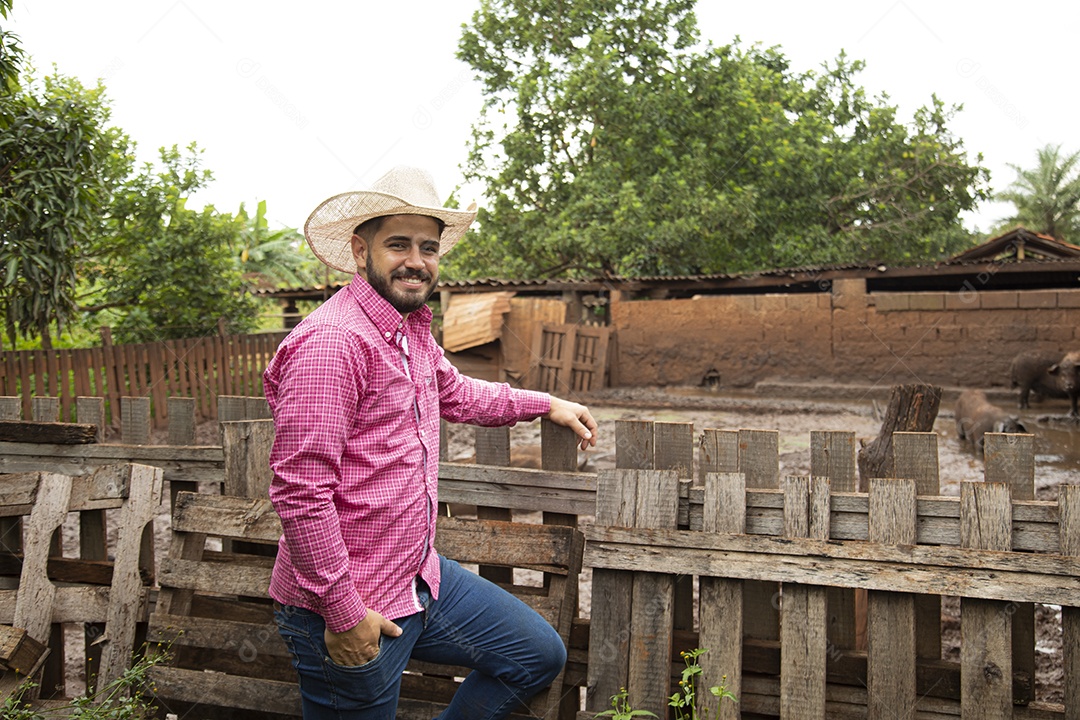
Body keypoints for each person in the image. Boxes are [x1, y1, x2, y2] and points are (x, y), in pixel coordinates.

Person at [263, 166, 598, 719]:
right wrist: (345, 614)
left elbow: (457, 393)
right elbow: (301, 493)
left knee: (535, 654)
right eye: (398, 244)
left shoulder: (407, 328)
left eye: (429, 247)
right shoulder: (333, 344)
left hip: (419, 579)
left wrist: (545, 403)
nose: (416, 260)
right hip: (349, 603)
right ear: (358, 250)